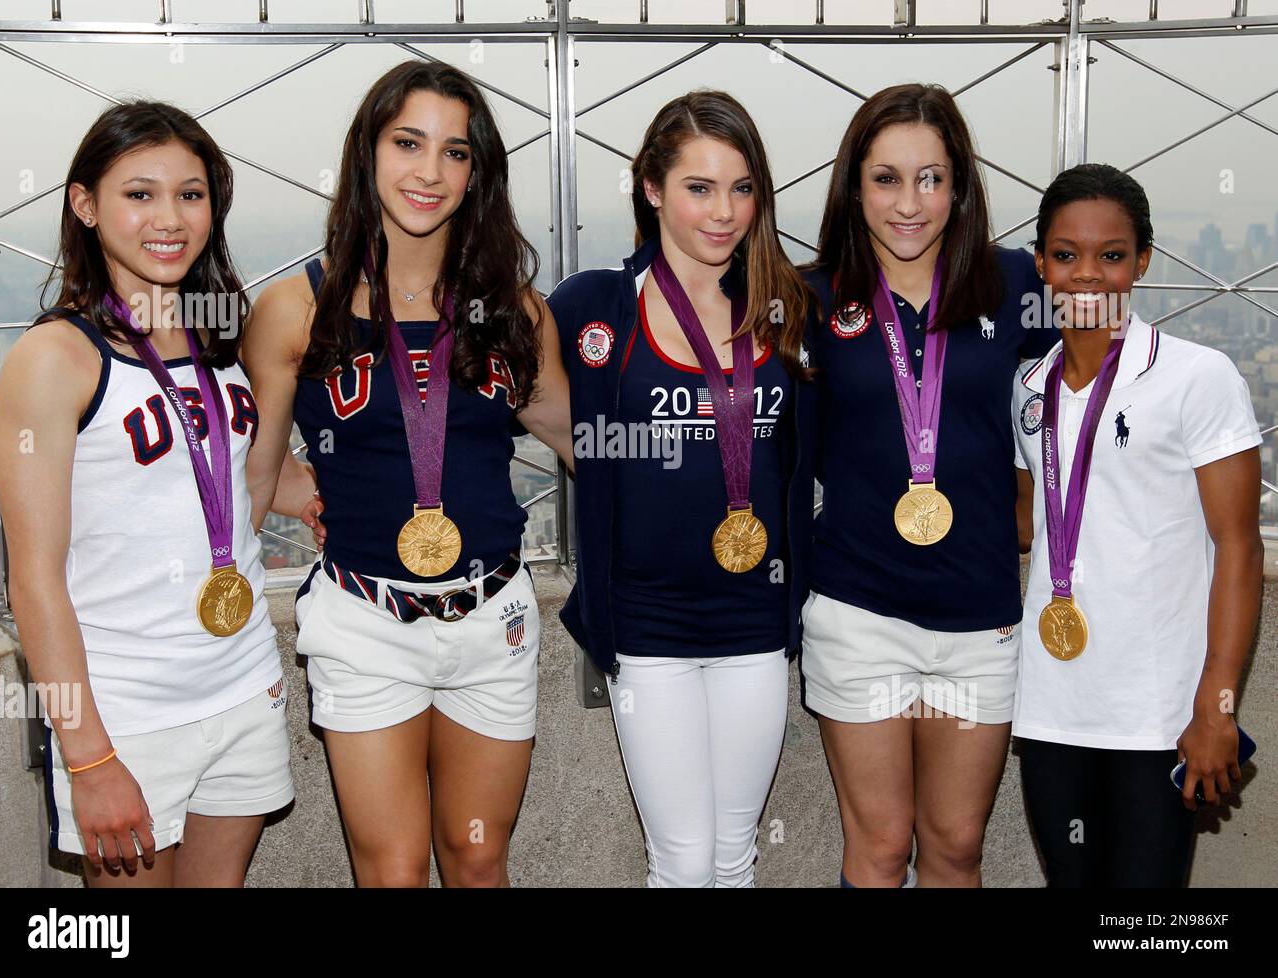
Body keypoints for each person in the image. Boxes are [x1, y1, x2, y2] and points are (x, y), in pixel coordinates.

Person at [243, 61, 572, 888]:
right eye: (408, 143)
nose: (429, 172)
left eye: (454, 152)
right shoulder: (294, 309)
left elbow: (583, 442)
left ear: (477, 172)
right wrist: (317, 495)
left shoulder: (514, 310)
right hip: (364, 623)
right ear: (368, 153)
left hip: (492, 616)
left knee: (475, 856)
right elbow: (252, 469)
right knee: (391, 870)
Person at [0, 101, 293, 887]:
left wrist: (336, 493)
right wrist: (88, 755)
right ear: (85, 205)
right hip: (127, 710)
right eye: (140, 194)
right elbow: (32, 579)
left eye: (191, 195)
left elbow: (221, 472)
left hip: (240, 680)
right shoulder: (56, 357)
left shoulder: (218, 333)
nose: (170, 218)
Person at [547, 90, 816, 887]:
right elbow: (494, 395)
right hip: (646, 625)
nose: (723, 211)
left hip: (755, 619)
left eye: (741, 188)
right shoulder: (593, 307)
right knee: (682, 858)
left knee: (734, 855)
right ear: (651, 188)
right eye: (699, 187)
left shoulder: (787, 307)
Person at [801, 82, 1058, 888]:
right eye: (885, 179)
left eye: (930, 178)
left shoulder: (1016, 283)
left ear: (960, 186)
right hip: (857, 609)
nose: (908, 203)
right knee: (879, 849)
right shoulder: (809, 297)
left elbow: (1109, 364)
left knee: (954, 849)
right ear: (854, 187)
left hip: (979, 616)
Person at [1012, 163, 1261, 887]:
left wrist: (1217, 706)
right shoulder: (1027, 389)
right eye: (1066, 255)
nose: (1087, 275)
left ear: (1142, 260)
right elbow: (1028, 523)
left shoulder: (1198, 376)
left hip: (1161, 717)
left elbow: (1239, 549)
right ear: (1040, 262)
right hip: (1053, 711)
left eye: (1111, 256)